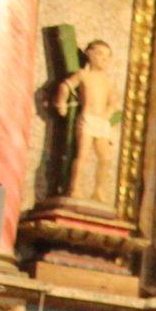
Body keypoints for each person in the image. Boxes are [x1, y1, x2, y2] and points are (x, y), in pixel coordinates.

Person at [53, 39, 119, 205]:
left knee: (105, 157)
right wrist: (61, 103)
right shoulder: (83, 75)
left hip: (101, 122)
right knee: (82, 154)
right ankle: (74, 187)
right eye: (99, 54)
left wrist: (107, 114)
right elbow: (65, 86)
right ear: (89, 54)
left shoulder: (108, 82)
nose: (103, 59)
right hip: (88, 119)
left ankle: (98, 189)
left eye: (107, 56)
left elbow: (113, 103)